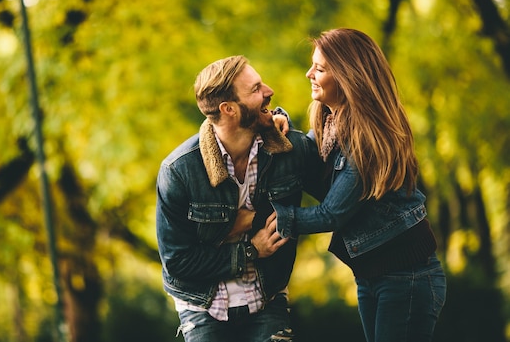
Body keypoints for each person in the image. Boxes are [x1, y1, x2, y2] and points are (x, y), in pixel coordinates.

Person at [272, 28, 447, 342]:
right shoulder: (330, 123)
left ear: (347, 76)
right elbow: (306, 162)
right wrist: (279, 125)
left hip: (406, 277)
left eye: (320, 68)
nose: (309, 73)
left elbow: (331, 215)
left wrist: (276, 220)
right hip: (372, 275)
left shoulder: (366, 138)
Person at [156, 55, 323, 342]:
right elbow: (178, 263)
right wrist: (250, 251)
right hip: (202, 305)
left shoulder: (288, 151)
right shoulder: (179, 171)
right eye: (256, 89)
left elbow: (337, 190)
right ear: (229, 109)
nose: (269, 91)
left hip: (267, 295)